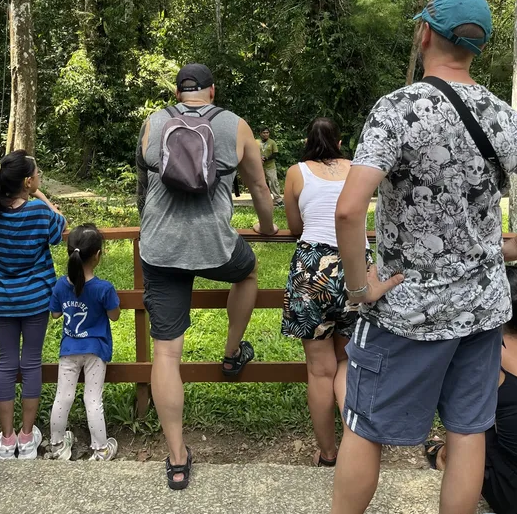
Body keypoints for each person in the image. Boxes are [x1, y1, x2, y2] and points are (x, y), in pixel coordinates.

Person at [330, 0, 517, 514]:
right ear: (477, 47)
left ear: (424, 34)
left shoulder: (398, 109)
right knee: (468, 431)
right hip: (483, 308)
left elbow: (349, 210)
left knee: (364, 428)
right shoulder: (505, 117)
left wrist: (360, 287)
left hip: (406, 309)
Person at [136, 63, 278, 490]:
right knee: (248, 272)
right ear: (212, 91)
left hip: (159, 249)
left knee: (166, 354)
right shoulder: (235, 126)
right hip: (216, 246)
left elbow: (144, 187)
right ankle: (233, 352)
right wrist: (268, 230)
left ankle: (177, 460)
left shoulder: (154, 123)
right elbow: (258, 189)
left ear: (178, 92)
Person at [281, 118, 370, 467]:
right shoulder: (357, 169)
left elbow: (294, 226)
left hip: (312, 267)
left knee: (319, 371)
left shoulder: (295, 172)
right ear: (340, 141)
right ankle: (356, 448)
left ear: (307, 140)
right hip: (354, 265)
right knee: (347, 361)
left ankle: (328, 453)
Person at [424, 264, 517, 514]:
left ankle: (441, 456)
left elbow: (466, 418)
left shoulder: (490, 351)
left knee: (473, 422)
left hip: (515, 494)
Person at [0, 151, 66, 460]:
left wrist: (35, 192)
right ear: (28, 181)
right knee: (31, 362)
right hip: (35, 299)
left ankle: (7, 440)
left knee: (7, 364)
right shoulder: (38, 213)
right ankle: (26, 436)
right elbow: (59, 229)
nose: (41, 177)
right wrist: (44, 198)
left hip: (3, 299)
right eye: (38, 174)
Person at [48, 224, 121, 461]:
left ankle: (57, 446)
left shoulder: (61, 285)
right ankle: (100, 449)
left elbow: (56, 314)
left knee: (63, 396)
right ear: (98, 255)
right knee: (92, 398)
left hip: (69, 349)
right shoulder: (104, 288)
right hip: (95, 350)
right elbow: (115, 315)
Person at [259, 127, 283, 206]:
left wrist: (266, 159)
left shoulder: (272, 142)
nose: (266, 134)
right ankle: (261, 199)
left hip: (270, 166)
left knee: (273, 182)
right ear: (260, 133)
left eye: (267, 133)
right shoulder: (256, 142)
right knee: (259, 183)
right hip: (259, 166)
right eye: (264, 132)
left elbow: (275, 153)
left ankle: (278, 199)